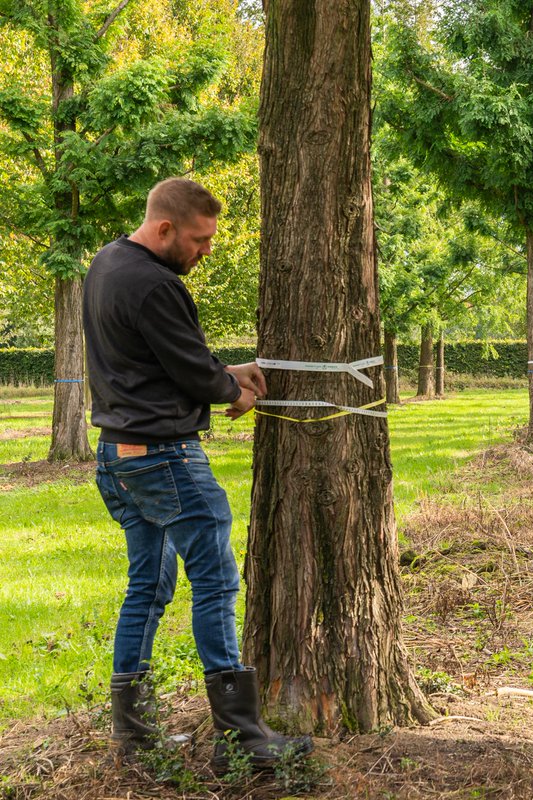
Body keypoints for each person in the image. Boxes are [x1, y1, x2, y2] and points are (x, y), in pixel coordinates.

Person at [85, 177, 310, 769]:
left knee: (148, 587)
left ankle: (134, 734)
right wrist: (232, 390)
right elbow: (189, 370)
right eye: (199, 239)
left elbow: (157, 358)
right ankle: (242, 739)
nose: (206, 250)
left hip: (118, 455)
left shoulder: (108, 264)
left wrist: (221, 372)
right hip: (165, 459)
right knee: (215, 583)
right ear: (165, 229)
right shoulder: (157, 285)